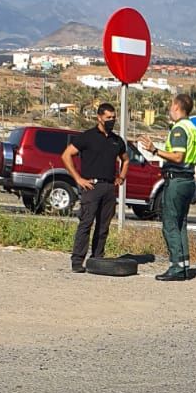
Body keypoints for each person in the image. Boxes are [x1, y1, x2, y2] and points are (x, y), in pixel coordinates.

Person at [140, 92, 196, 282]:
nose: (169, 109)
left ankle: (176, 266)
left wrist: (155, 150)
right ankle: (183, 265)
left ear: (176, 106)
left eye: (170, 106)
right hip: (188, 179)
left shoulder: (179, 129)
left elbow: (178, 156)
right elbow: (195, 157)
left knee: (169, 224)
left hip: (177, 180)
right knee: (181, 223)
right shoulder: (193, 129)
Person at [63, 103, 128, 273]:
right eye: (108, 118)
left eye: (113, 118)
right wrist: (78, 178)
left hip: (108, 187)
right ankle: (77, 260)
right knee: (86, 223)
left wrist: (121, 176)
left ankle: (97, 259)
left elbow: (126, 160)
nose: (111, 121)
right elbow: (66, 155)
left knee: (103, 226)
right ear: (99, 117)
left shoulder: (117, 140)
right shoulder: (87, 137)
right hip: (91, 187)